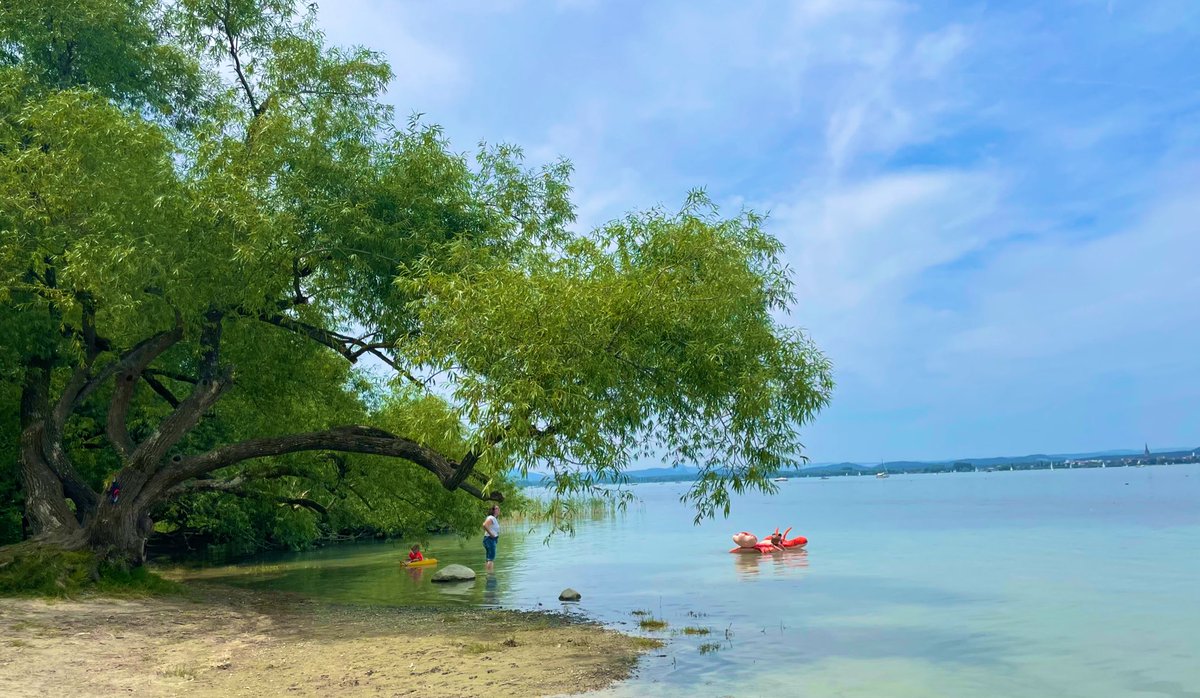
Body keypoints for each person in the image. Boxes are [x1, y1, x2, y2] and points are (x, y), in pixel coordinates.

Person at [481, 503, 500, 572]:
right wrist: (491, 534)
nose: (498, 510)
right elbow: (484, 525)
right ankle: (490, 575)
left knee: (489, 558)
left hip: (490, 540)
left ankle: (488, 574)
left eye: (498, 508)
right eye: (497, 509)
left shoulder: (493, 518)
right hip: (490, 539)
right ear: (493, 510)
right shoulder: (491, 518)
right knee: (491, 559)